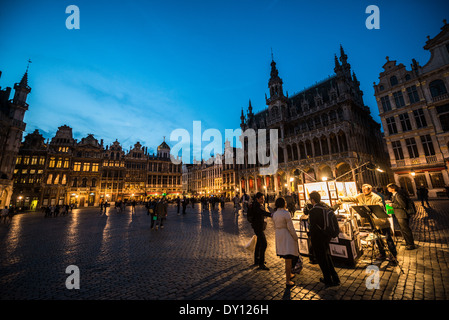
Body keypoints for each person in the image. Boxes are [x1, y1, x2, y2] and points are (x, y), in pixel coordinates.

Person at [338, 184, 397, 261]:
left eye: (365, 190)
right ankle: (382, 253)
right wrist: (342, 199)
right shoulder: (360, 196)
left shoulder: (376, 197)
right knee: (377, 238)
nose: (363, 191)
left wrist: (372, 208)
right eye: (363, 190)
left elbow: (380, 207)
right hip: (373, 222)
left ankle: (393, 255)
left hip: (381, 221)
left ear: (370, 190)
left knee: (388, 238)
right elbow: (352, 198)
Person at [308, 191, 340, 288]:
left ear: (313, 200)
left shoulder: (313, 211)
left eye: (310, 199)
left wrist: (310, 236)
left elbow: (312, 226)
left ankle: (327, 279)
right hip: (327, 236)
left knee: (322, 259)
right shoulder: (325, 207)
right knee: (327, 256)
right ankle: (335, 277)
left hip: (318, 237)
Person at [272, 197, 302, 287]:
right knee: (288, 260)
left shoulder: (275, 214)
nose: (286, 203)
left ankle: (289, 275)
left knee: (287, 259)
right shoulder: (286, 213)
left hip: (279, 236)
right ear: (283, 203)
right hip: (287, 236)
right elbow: (291, 228)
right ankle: (288, 280)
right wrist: (295, 237)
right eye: (285, 201)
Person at [386, 183, 416, 250]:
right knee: (402, 229)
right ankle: (407, 242)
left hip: (402, 215)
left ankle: (411, 244)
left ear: (393, 188)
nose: (387, 189)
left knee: (405, 229)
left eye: (388, 188)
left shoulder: (398, 195)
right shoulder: (394, 195)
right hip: (399, 215)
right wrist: (391, 202)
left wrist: (392, 205)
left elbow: (403, 205)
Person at [249, 192, 272, 270]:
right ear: (257, 199)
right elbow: (261, 212)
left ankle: (257, 260)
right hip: (258, 227)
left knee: (259, 243)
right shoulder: (256, 206)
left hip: (258, 227)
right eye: (261, 198)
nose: (263, 200)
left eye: (263, 198)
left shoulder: (257, 204)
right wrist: (271, 215)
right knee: (264, 244)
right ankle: (261, 263)